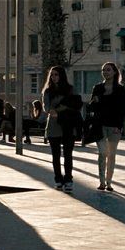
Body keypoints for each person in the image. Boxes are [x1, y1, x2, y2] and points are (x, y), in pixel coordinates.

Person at [90, 62, 125, 191]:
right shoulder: (97, 88)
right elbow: (92, 106)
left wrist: (119, 126)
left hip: (114, 127)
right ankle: (101, 182)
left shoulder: (120, 89)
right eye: (103, 70)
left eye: (108, 70)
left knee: (111, 155)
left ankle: (109, 182)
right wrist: (95, 101)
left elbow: (122, 109)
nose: (105, 72)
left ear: (114, 72)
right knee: (102, 153)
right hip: (99, 125)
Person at [42, 64, 81, 192]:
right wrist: (59, 108)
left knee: (68, 154)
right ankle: (58, 179)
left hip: (68, 125)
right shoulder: (47, 91)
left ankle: (68, 180)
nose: (54, 77)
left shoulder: (71, 89)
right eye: (52, 75)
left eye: (56, 74)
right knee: (55, 155)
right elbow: (47, 108)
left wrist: (61, 108)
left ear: (62, 75)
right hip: (53, 126)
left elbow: (76, 104)